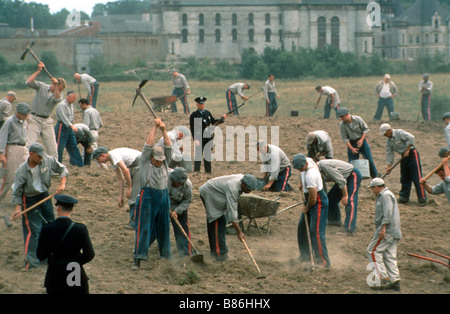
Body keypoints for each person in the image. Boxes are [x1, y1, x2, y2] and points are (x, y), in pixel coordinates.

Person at [11, 143, 68, 269]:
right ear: (31, 154)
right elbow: (17, 191)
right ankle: (30, 261)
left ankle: (45, 257)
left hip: (44, 196)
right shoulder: (21, 171)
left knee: (49, 226)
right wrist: (17, 208)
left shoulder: (47, 160)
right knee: (34, 230)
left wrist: (62, 184)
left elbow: (63, 169)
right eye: (39, 156)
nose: (41, 159)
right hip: (29, 199)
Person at [132, 118, 172, 270]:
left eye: (161, 161)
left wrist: (163, 129)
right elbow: (148, 144)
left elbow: (168, 145)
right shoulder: (144, 161)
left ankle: (166, 257)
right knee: (144, 228)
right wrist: (155, 127)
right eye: (157, 160)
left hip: (163, 197)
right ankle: (138, 258)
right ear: (151, 158)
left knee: (164, 227)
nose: (159, 163)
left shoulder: (165, 161)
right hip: (147, 197)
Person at [37, 194, 95, 294]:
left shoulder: (47, 228)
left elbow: (41, 255)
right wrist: (74, 262)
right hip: (74, 271)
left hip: (55, 272)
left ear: (58, 208)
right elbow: (90, 254)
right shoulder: (80, 229)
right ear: (72, 209)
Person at [199, 173, 258, 261]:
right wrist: (239, 232)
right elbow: (232, 212)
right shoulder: (233, 188)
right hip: (210, 193)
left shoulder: (242, 180)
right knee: (217, 222)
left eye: (251, 190)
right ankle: (219, 254)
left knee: (217, 222)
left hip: (217, 193)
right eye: (248, 189)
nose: (249, 192)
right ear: (243, 184)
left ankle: (215, 252)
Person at [292, 153, 330, 268]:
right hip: (309, 198)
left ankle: (323, 262)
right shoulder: (307, 159)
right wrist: (301, 182)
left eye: (301, 169)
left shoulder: (311, 175)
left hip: (318, 201)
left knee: (316, 232)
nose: (299, 170)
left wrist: (306, 208)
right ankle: (305, 256)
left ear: (305, 164)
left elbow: (313, 198)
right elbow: (302, 173)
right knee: (302, 228)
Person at [93, 146, 141, 228]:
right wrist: (120, 197)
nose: (99, 162)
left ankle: (134, 223)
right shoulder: (112, 159)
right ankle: (134, 220)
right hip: (135, 165)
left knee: (133, 194)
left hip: (140, 163)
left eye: (98, 159)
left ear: (102, 155)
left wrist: (130, 187)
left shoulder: (114, 155)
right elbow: (120, 179)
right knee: (133, 194)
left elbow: (125, 170)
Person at [367, 177, 402, 291]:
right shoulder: (387, 194)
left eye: (372, 188)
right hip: (394, 231)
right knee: (389, 255)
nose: (372, 191)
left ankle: (382, 279)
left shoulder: (385, 195)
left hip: (387, 230)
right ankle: (395, 280)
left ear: (376, 187)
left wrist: (383, 228)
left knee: (372, 250)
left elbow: (387, 213)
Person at [26, 61, 66, 158]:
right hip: (34, 119)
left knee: (53, 148)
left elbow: (57, 98)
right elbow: (28, 82)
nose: (60, 91)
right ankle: (26, 165)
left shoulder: (59, 94)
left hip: (47, 121)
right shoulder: (42, 86)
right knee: (29, 145)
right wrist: (38, 71)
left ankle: (54, 169)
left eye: (61, 90)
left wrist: (56, 87)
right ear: (52, 84)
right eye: (59, 88)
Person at [380, 123, 427, 206]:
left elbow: (411, 137)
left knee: (416, 176)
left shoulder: (399, 132)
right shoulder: (388, 141)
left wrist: (407, 150)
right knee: (405, 177)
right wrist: (389, 166)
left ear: (389, 130)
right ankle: (404, 197)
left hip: (412, 154)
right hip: (403, 156)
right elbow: (389, 153)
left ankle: (422, 198)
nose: (384, 135)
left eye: (385, 133)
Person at [0, 103, 31, 213]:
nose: (26, 116)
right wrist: (1, 153)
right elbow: (2, 137)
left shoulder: (25, 121)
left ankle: (21, 199)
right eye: (24, 114)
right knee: (10, 177)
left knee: (26, 173)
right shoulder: (9, 122)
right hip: (12, 148)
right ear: (18, 113)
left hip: (23, 148)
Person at [318, 159, 361, 234]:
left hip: (352, 175)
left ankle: (349, 229)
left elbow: (341, 181)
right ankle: (334, 220)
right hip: (342, 179)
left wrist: (345, 195)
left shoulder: (325, 166)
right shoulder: (315, 172)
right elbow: (322, 187)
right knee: (330, 198)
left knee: (350, 201)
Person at [189, 96, 227, 174]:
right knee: (198, 154)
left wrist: (222, 119)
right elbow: (193, 128)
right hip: (199, 136)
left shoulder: (207, 113)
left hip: (208, 136)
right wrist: (195, 139)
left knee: (207, 154)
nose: (201, 105)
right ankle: (196, 170)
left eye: (203, 104)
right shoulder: (194, 115)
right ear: (197, 104)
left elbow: (213, 122)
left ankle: (208, 171)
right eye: (200, 104)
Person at [337, 107, 378, 178]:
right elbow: (345, 138)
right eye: (340, 117)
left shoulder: (358, 119)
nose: (341, 119)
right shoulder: (342, 125)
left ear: (347, 114)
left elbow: (366, 129)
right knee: (351, 163)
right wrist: (352, 148)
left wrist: (361, 140)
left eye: (342, 117)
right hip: (351, 143)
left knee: (369, 160)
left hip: (362, 140)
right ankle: (354, 179)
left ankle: (375, 177)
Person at [168, 167, 193, 257]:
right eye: (177, 183)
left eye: (181, 183)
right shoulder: (166, 178)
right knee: (160, 226)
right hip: (165, 203)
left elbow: (187, 201)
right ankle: (165, 252)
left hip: (179, 205)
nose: (179, 185)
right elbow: (160, 192)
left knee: (182, 228)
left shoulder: (187, 185)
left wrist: (177, 211)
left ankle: (185, 252)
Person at [54, 91, 84, 167]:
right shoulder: (62, 105)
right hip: (62, 127)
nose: (74, 100)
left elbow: (71, 116)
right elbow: (63, 117)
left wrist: (71, 125)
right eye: (74, 98)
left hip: (69, 128)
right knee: (59, 148)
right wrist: (71, 125)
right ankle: (58, 165)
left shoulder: (71, 105)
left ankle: (79, 165)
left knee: (73, 146)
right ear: (69, 97)